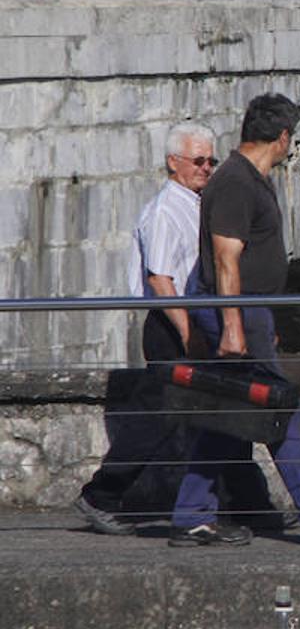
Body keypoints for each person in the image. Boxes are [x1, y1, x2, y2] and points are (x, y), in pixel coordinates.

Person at [74, 123, 274, 535]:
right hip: (175, 326)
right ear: (173, 162)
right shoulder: (166, 209)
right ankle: (101, 495)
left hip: (200, 322)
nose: (206, 168)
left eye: (211, 160)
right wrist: (188, 333)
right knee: (160, 417)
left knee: (227, 411)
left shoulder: (196, 203)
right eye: (198, 160)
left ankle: (247, 502)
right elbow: (159, 280)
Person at [168, 93, 300, 547]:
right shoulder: (235, 183)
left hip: (249, 310)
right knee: (279, 406)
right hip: (236, 310)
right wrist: (233, 325)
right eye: (293, 138)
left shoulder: (247, 179)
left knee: (232, 413)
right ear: (282, 137)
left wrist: (261, 316)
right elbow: (227, 260)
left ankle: (191, 514)